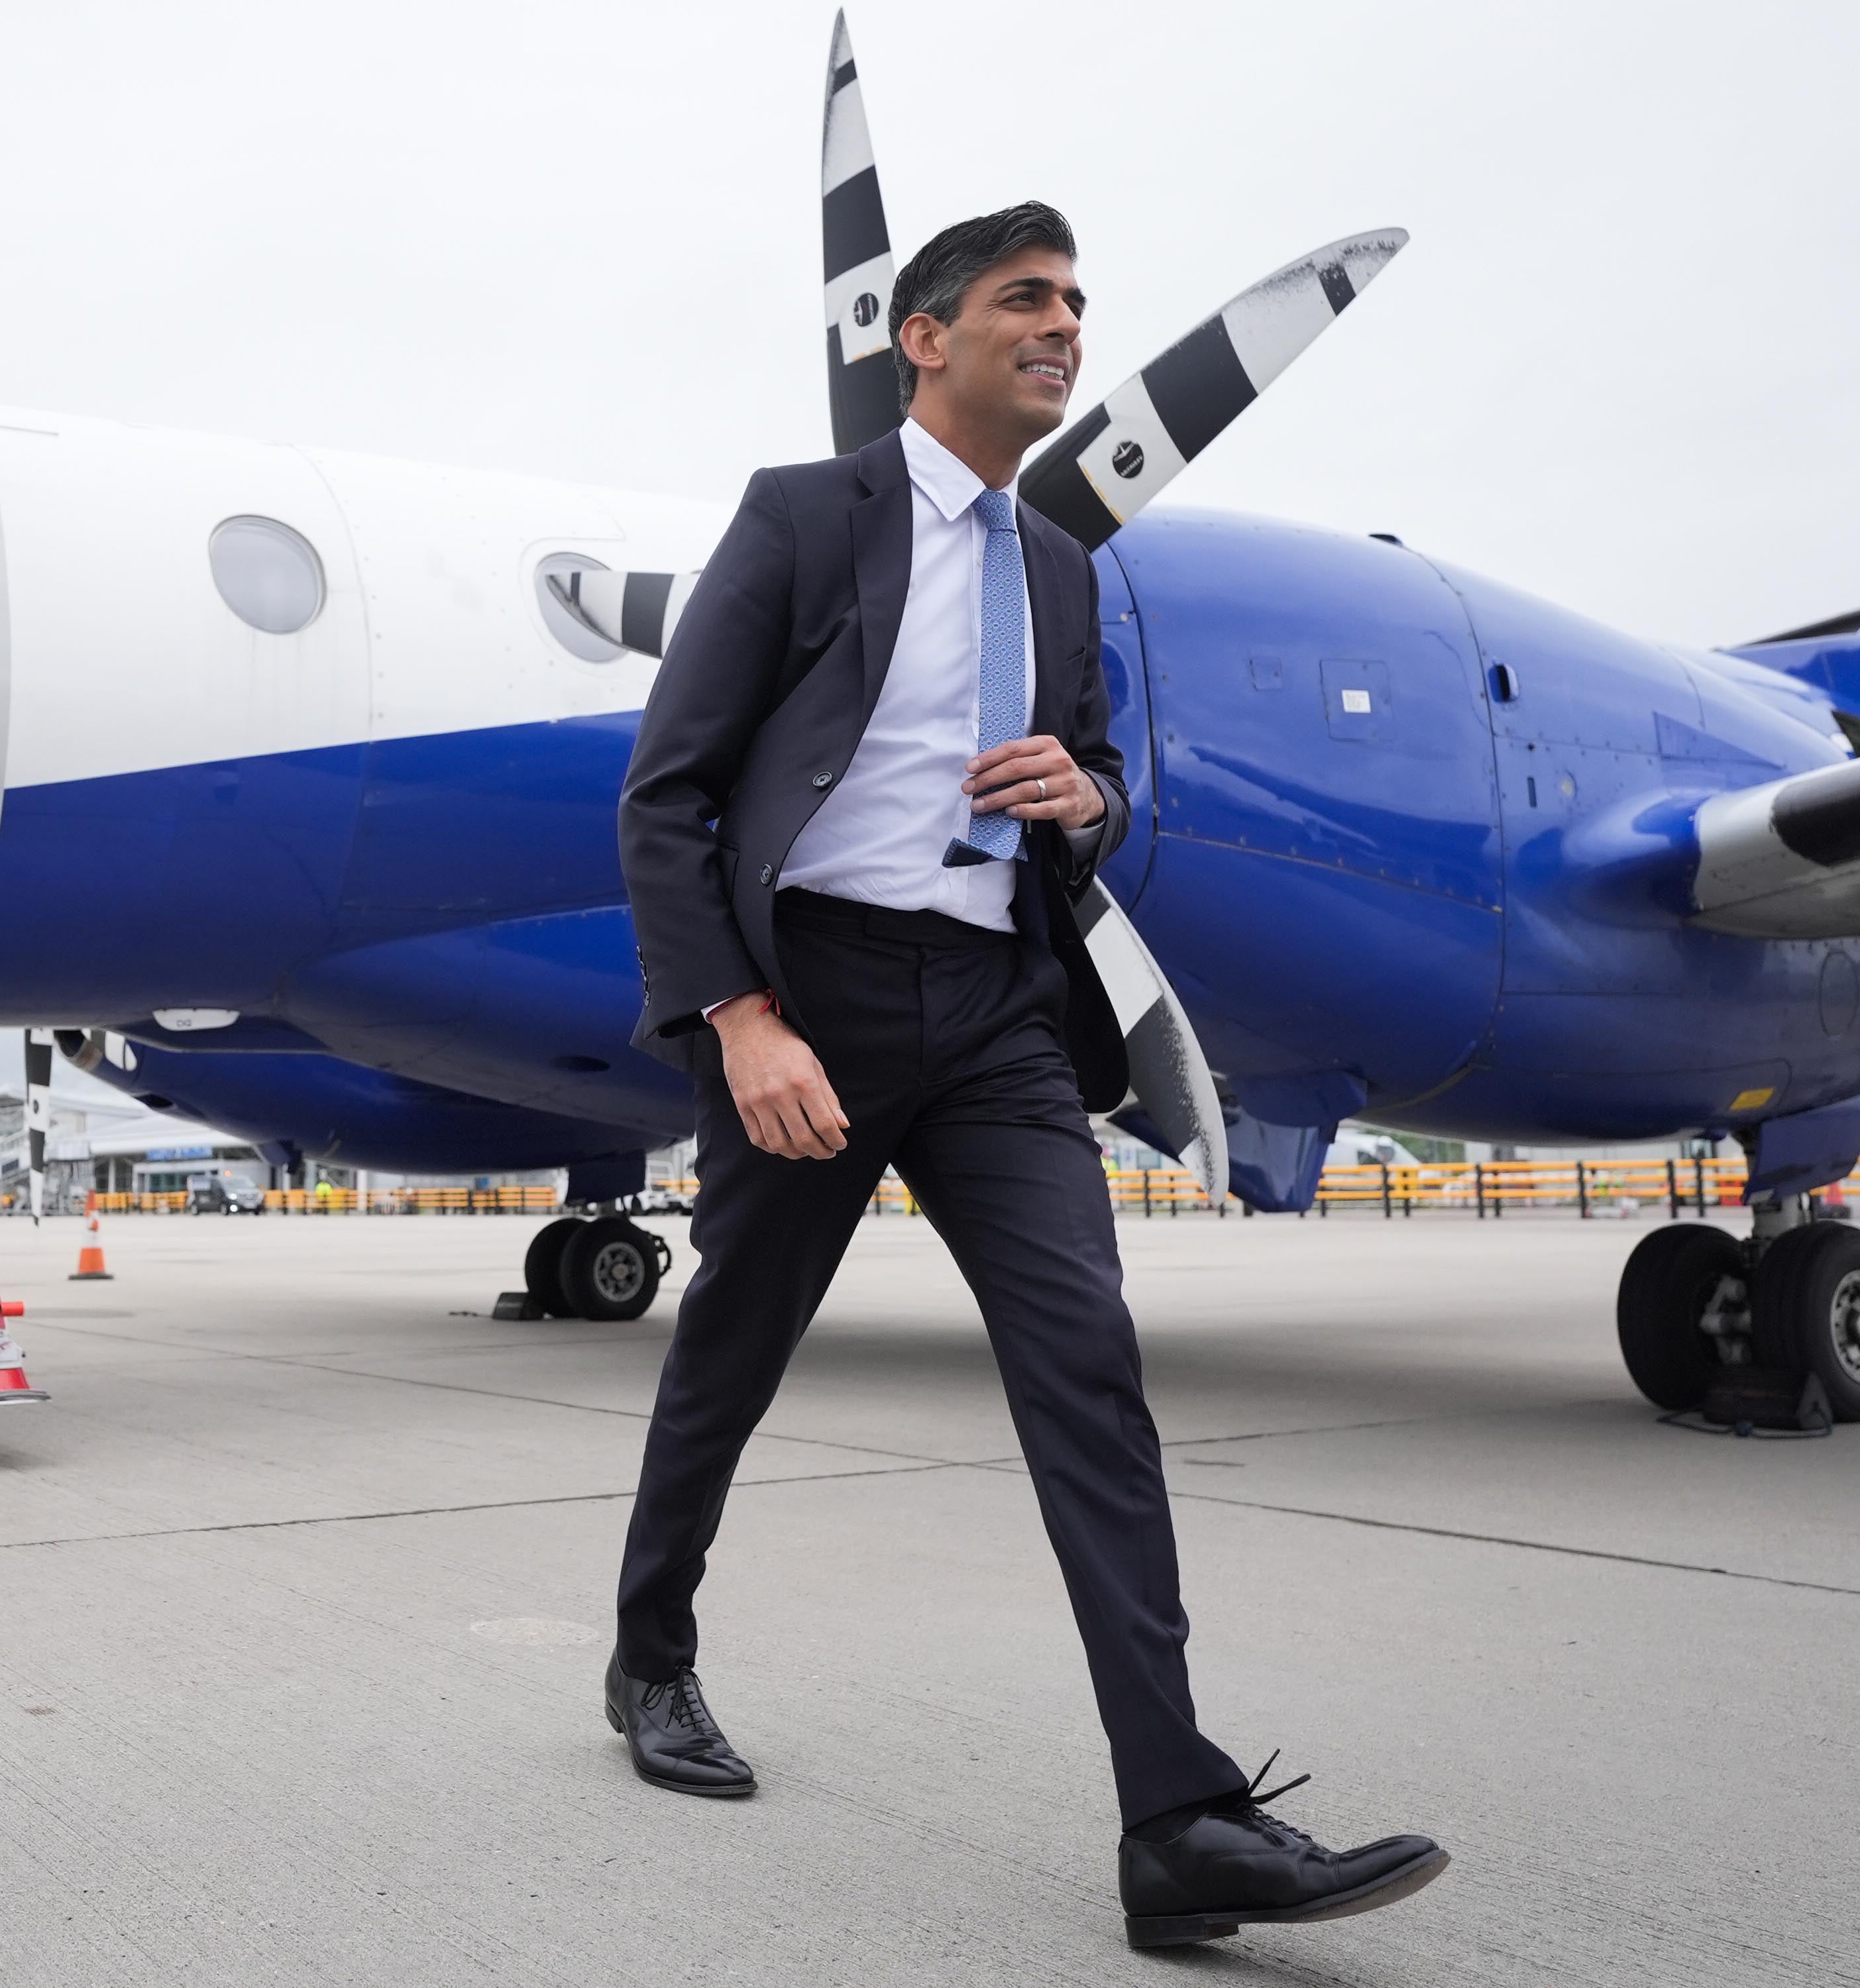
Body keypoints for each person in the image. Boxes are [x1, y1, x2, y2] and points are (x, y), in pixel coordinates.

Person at [606, 203, 1447, 1948]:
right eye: (1025, 301)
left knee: (1090, 1371)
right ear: (925, 338)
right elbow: (669, 795)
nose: (1064, 327)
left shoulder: (1059, 571)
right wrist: (741, 1021)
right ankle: (651, 1656)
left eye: (1077, 303)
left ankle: (1181, 1821)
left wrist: (1092, 800)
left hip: (995, 1009)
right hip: (812, 990)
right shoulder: (796, 519)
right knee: (733, 1352)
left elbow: (1104, 778)